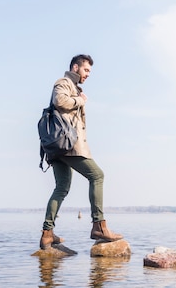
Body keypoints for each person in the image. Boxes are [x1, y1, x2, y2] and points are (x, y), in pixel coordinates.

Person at [39, 54, 123, 249]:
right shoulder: (64, 82)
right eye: (86, 70)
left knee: (61, 187)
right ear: (75, 67)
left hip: (57, 147)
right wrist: (80, 100)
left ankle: (47, 234)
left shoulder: (73, 86)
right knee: (97, 176)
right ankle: (99, 226)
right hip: (68, 146)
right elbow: (60, 101)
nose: (88, 74)